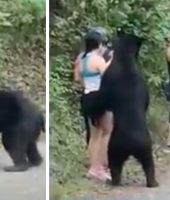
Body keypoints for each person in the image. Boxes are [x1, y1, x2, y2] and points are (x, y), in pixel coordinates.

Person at [74, 28, 113, 181]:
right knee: (107, 132)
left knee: (94, 134)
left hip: (87, 96)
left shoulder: (81, 59)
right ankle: (101, 167)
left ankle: (93, 168)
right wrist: (111, 61)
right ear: (99, 43)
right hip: (99, 96)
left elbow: (78, 79)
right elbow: (108, 76)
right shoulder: (98, 60)